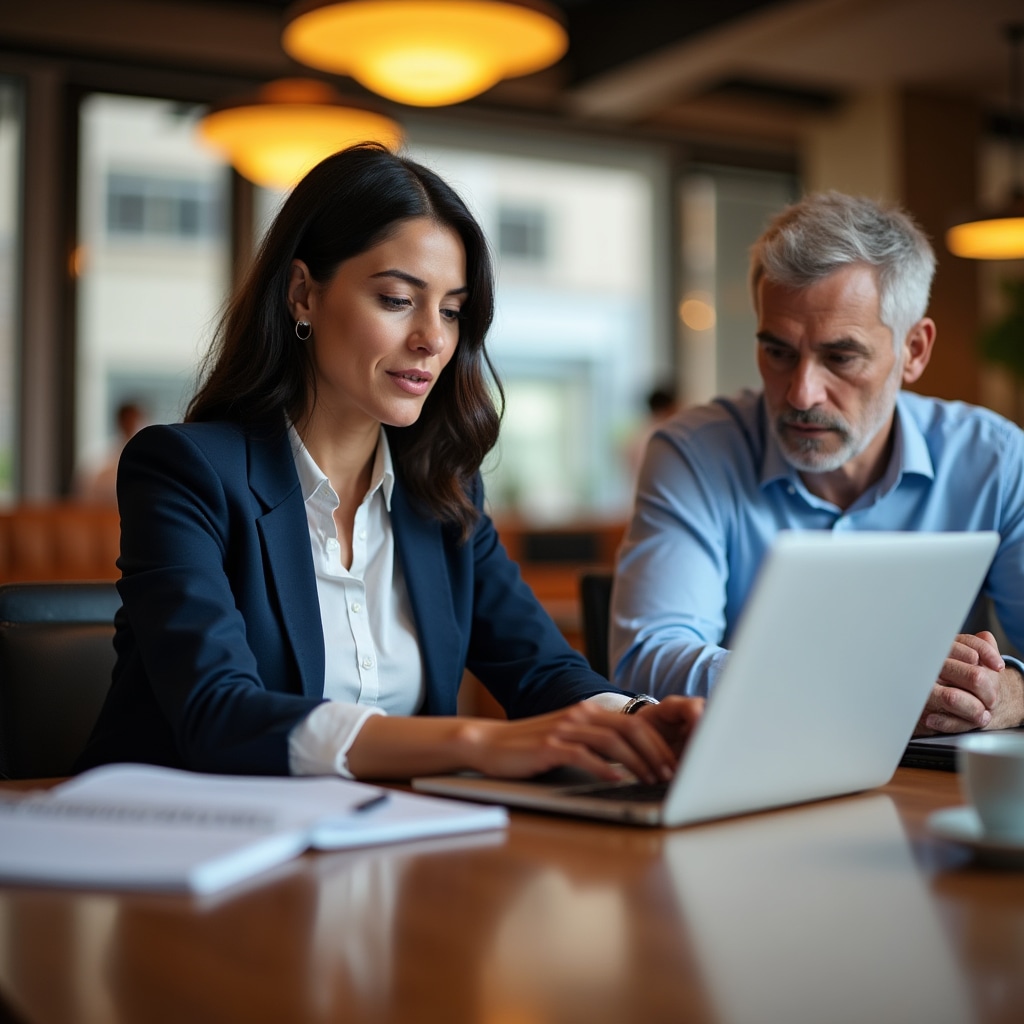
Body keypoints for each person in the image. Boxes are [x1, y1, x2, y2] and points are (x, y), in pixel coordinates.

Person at [76, 143, 702, 782]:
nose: (433, 338)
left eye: (452, 310)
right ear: (303, 295)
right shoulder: (186, 471)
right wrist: (471, 742)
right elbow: (218, 715)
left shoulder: (442, 493)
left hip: (383, 847)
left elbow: (540, 668)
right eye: (398, 299)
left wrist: (637, 720)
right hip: (182, 852)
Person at [610, 191, 1024, 737]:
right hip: (754, 774)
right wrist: (855, 683)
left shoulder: (994, 459)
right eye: (778, 352)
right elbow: (649, 660)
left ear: (914, 351)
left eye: (840, 356)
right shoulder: (694, 451)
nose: (802, 393)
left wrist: (1003, 694)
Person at [73, 400, 148, 504]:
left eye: (135, 420)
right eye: (129, 420)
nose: (132, 425)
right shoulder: (104, 464)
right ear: (121, 422)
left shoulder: (149, 456)